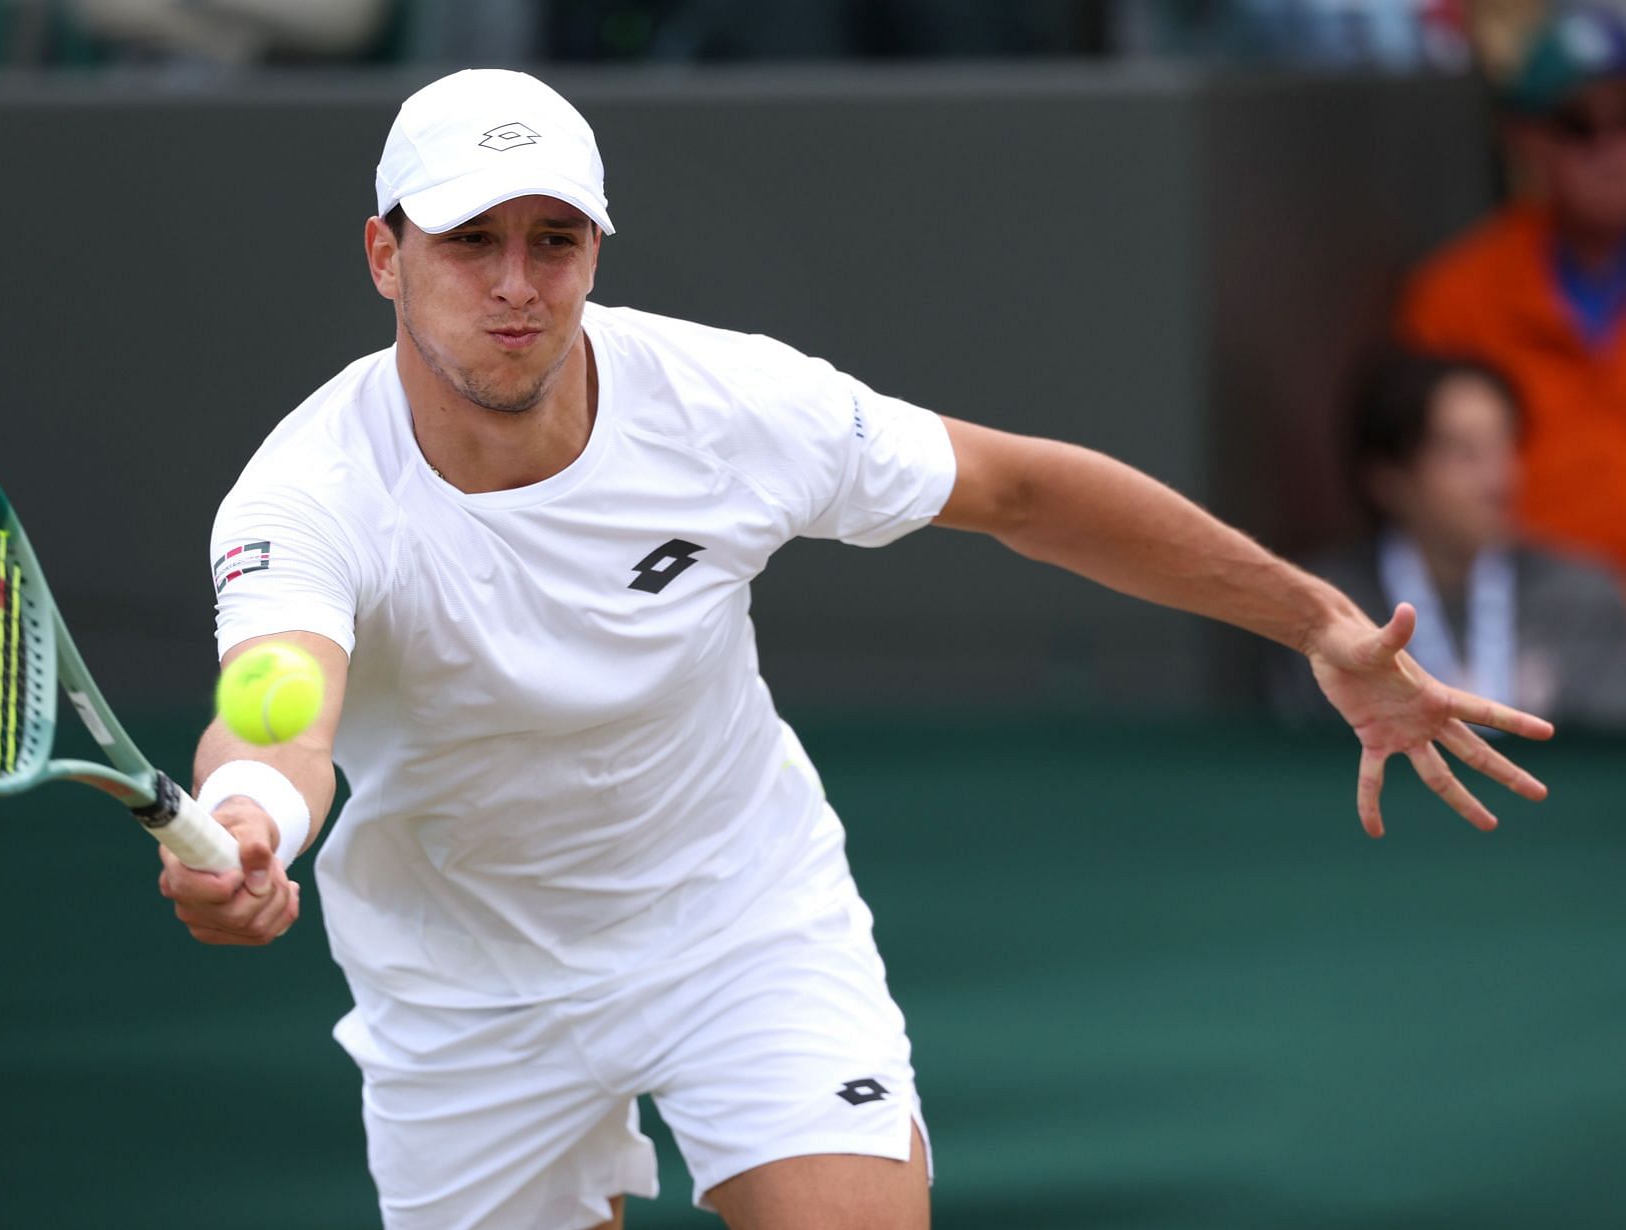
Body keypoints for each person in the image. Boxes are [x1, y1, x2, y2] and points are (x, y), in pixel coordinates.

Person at [157, 69, 1554, 1230]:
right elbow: (279, 707)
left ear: (596, 249)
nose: (517, 285)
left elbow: (1019, 489)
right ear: (385, 254)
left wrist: (1316, 618)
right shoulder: (306, 496)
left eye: (555, 240)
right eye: (471, 241)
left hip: (736, 927)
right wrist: (249, 812)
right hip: (465, 993)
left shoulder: (728, 403)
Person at [1266, 347, 1626, 727]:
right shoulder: (1327, 606)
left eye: (1505, 447)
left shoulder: (1579, 597)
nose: (1499, 479)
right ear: (1389, 478)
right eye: (1465, 453)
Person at [1398, 2, 1626, 581]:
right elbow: (1428, 499)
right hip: (1524, 622)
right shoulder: (1459, 295)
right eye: (1578, 125)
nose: (1610, 152)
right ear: (1524, 138)